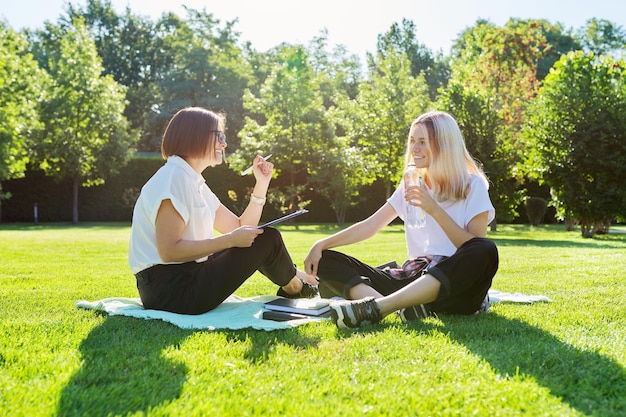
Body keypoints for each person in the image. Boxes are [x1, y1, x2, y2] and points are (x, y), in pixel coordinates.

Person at [304, 110, 499, 328]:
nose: (414, 148)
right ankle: (386, 306)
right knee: (326, 260)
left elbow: (472, 248)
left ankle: (381, 308)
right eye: (413, 141)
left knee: (485, 249)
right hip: (412, 278)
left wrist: (433, 209)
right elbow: (370, 226)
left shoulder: (473, 186)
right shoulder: (412, 184)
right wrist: (321, 244)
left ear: (444, 144)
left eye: (423, 142)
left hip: (453, 284)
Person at [128, 107, 318, 315]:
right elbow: (169, 251)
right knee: (268, 239)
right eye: (218, 136)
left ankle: (296, 282)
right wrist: (229, 241)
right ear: (195, 135)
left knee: (261, 238)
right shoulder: (174, 179)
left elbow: (240, 227)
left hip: (188, 277)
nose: (224, 143)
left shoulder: (192, 180)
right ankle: (296, 287)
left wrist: (261, 184)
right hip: (173, 292)